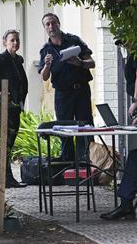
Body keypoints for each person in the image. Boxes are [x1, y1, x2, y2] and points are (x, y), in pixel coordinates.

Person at [38, 13, 95, 161]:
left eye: (53, 23)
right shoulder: (46, 50)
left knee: (85, 127)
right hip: (62, 94)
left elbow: (92, 62)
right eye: (47, 24)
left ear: (58, 23)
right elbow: (44, 76)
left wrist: (80, 63)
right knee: (64, 129)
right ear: (45, 28)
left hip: (81, 90)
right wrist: (47, 65)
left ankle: (87, 162)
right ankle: (67, 165)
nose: (51, 27)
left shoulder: (74, 40)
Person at [0, 29, 29, 188]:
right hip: (5, 103)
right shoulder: (2, 59)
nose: (15, 43)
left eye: (17, 40)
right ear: (5, 42)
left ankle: (7, 177)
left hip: (15, 105)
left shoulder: (17, 60)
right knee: (6, 141)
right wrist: (2, 86)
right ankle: (6, 178)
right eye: (12, 40)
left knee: (10, 140)